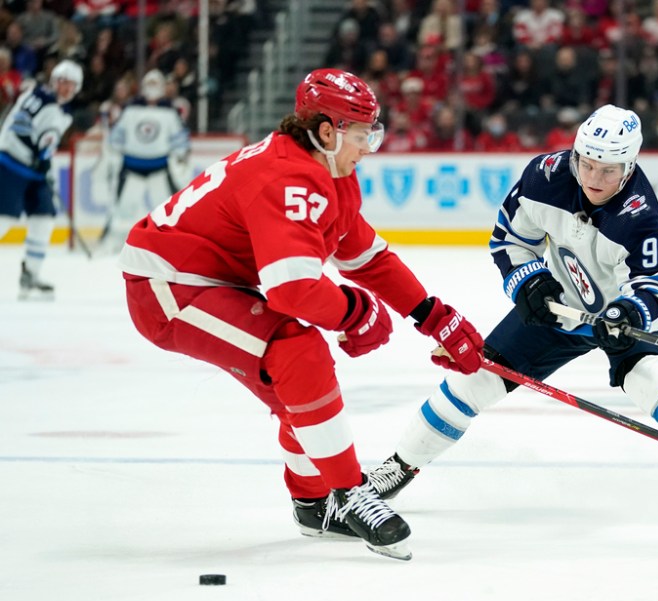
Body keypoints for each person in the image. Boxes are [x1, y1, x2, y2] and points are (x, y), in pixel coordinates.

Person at [117, 69, 485, 561]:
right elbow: (291, 290)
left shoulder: (327, 172)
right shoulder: (290, 177)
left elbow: (366, 258)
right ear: (327, 131)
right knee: (297, 350)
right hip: (168, 287)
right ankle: (349, 492)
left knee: (300, 380)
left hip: (206, 280)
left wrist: (435, 316)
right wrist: (355, 312)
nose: (368, 146)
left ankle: (315, 506)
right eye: (361, 134)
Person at [366, 104, 658, 527]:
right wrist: (529, 282)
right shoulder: (546, 176)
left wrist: (627, 312)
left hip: (621, 318)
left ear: (629, 166)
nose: (593, 178)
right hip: (562, 306)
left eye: (608, 171)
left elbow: (654, 285)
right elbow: (509, 241)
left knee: (651, 380)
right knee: (474, 377)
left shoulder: (640, 215)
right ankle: (400, 466)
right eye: (586, 164)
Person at [0, 59, 83, 300]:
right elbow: (26, 133)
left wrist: (42, 159)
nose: (65, 88)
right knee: (3, 220)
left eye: (70, 84)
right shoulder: (47, 104)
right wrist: (42, 154)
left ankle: (31, 275)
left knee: (44, 218)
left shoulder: (40, 96)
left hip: (33, 172)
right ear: (54, 80)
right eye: (62, 81)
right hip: (10, 164)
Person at [101, 69, 191, 251]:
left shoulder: (170, 111)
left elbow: (179, 138)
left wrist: (181, 154)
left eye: (155, 84)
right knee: (125, 208)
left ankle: (168, 245)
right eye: (149, 84)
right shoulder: (131, 108)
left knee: (166, 208)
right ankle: (118, 245)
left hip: (159, 166)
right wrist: (112, 152)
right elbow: (116, 136)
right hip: (131, 167)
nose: (152, 89)